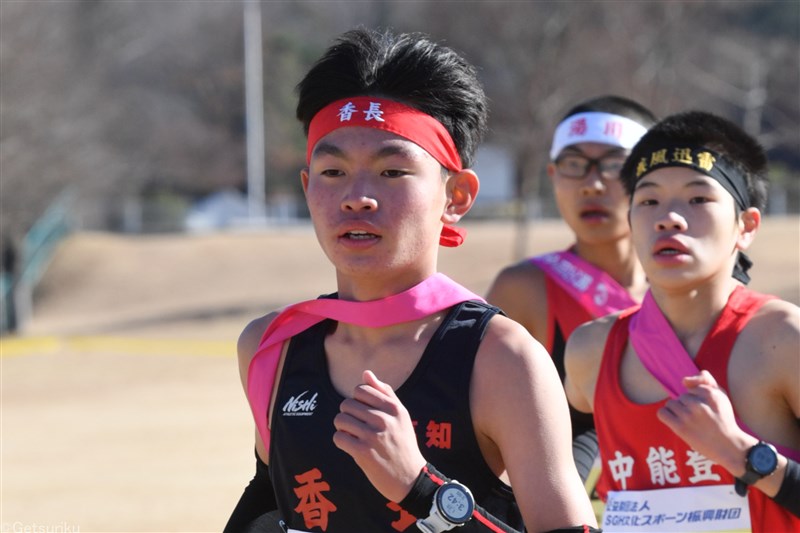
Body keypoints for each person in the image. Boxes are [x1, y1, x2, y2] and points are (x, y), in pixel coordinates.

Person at [225, 28, 599, 533]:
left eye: (392, 172)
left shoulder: (503, 359)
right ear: (308, 188)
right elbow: (271, 504)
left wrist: (420, 490)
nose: (358, 197)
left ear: (457, 196)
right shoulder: (272, 346)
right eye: (333, 172)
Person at [564, 110, 800, 531]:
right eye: (649, 200)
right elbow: (574, 439)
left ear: (746, 226)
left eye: (698, 199)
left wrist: (743, 456)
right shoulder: (591, 350)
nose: (669, 218)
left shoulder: (783, 341)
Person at [485, 96, 655, 483]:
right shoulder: (524, 289)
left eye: (614, 165)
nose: (592, 185)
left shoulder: (694, 290)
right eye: (574, 165)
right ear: (552, 175)